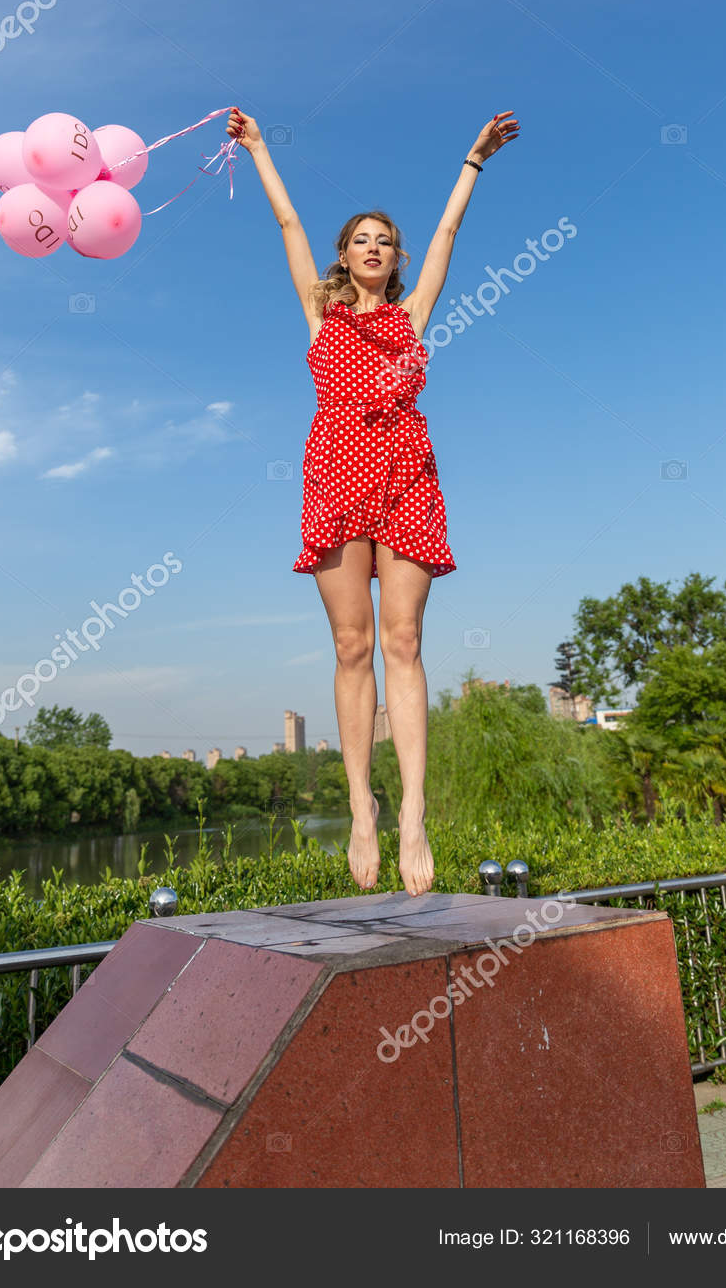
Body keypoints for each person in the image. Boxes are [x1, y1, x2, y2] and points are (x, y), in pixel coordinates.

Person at [226, 106, 520, 896]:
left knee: (404, 646)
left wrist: (473, 159)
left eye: (385, 242)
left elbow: (450, 239)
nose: (373, 249)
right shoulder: (319, 313)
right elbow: (287, 220)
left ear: (395, 261)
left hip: (405, 473)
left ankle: (414, 816)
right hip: (334, 473)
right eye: (361, 239)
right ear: (343, 255)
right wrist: (257, 147)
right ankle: (362, 807)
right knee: (351, 648)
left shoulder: (411, 315)